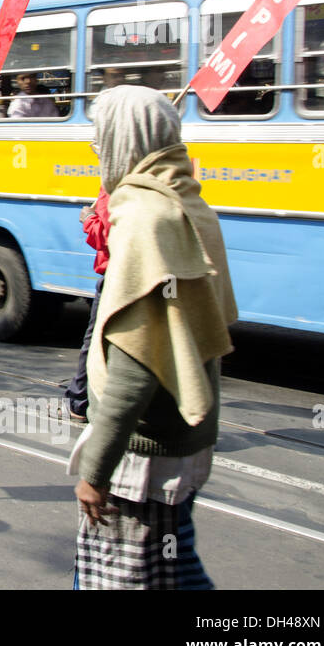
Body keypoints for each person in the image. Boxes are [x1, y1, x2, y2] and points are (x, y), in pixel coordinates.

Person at [70, 86, 236, 590]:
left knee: (118, 577)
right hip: (183, 437)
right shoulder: (186, 201)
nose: (97, 148)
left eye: (102, 137)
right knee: (170, 567)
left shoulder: (143, 216)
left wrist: (94, 470)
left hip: (145, 449)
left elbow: (134, 365)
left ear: (125, 140)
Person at [64, 188, 111, 421]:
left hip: (116, 276)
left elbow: (104, 237)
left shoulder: (116, 188)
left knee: (94, 340)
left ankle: (79, 401)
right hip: (154, 280)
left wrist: (88, 218)